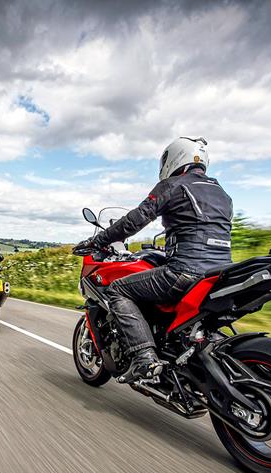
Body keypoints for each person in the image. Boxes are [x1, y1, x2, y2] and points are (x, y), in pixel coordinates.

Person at [73, 137, 233, 383]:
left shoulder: (174, 185)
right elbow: (201, 230)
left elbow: (134, 221)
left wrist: (98, 241)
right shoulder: (221, 193)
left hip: (185, 272)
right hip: (220, 274)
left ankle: (144, 358)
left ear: (175, 158)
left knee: (117, 290)